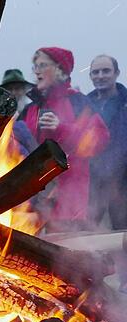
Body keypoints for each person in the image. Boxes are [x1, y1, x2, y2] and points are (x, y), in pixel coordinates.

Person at [21, 47, 109, 233]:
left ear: (60, 69)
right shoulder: (31, 108)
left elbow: (98, 139)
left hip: (70, 200)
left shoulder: (78, 102)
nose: (36, 70)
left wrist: (61, 127)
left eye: (43, 65)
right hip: (33, 198)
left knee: (68, 255)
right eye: (35, 66)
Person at [87, 55, 127, 230]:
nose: (100, 76)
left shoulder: (125, 102)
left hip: (123, 180)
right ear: (90, 76)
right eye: (95, 72)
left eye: (106, 71)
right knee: (86, 230)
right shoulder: (84, 105)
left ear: (117, 73)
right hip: (93, 181)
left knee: (123, 229)